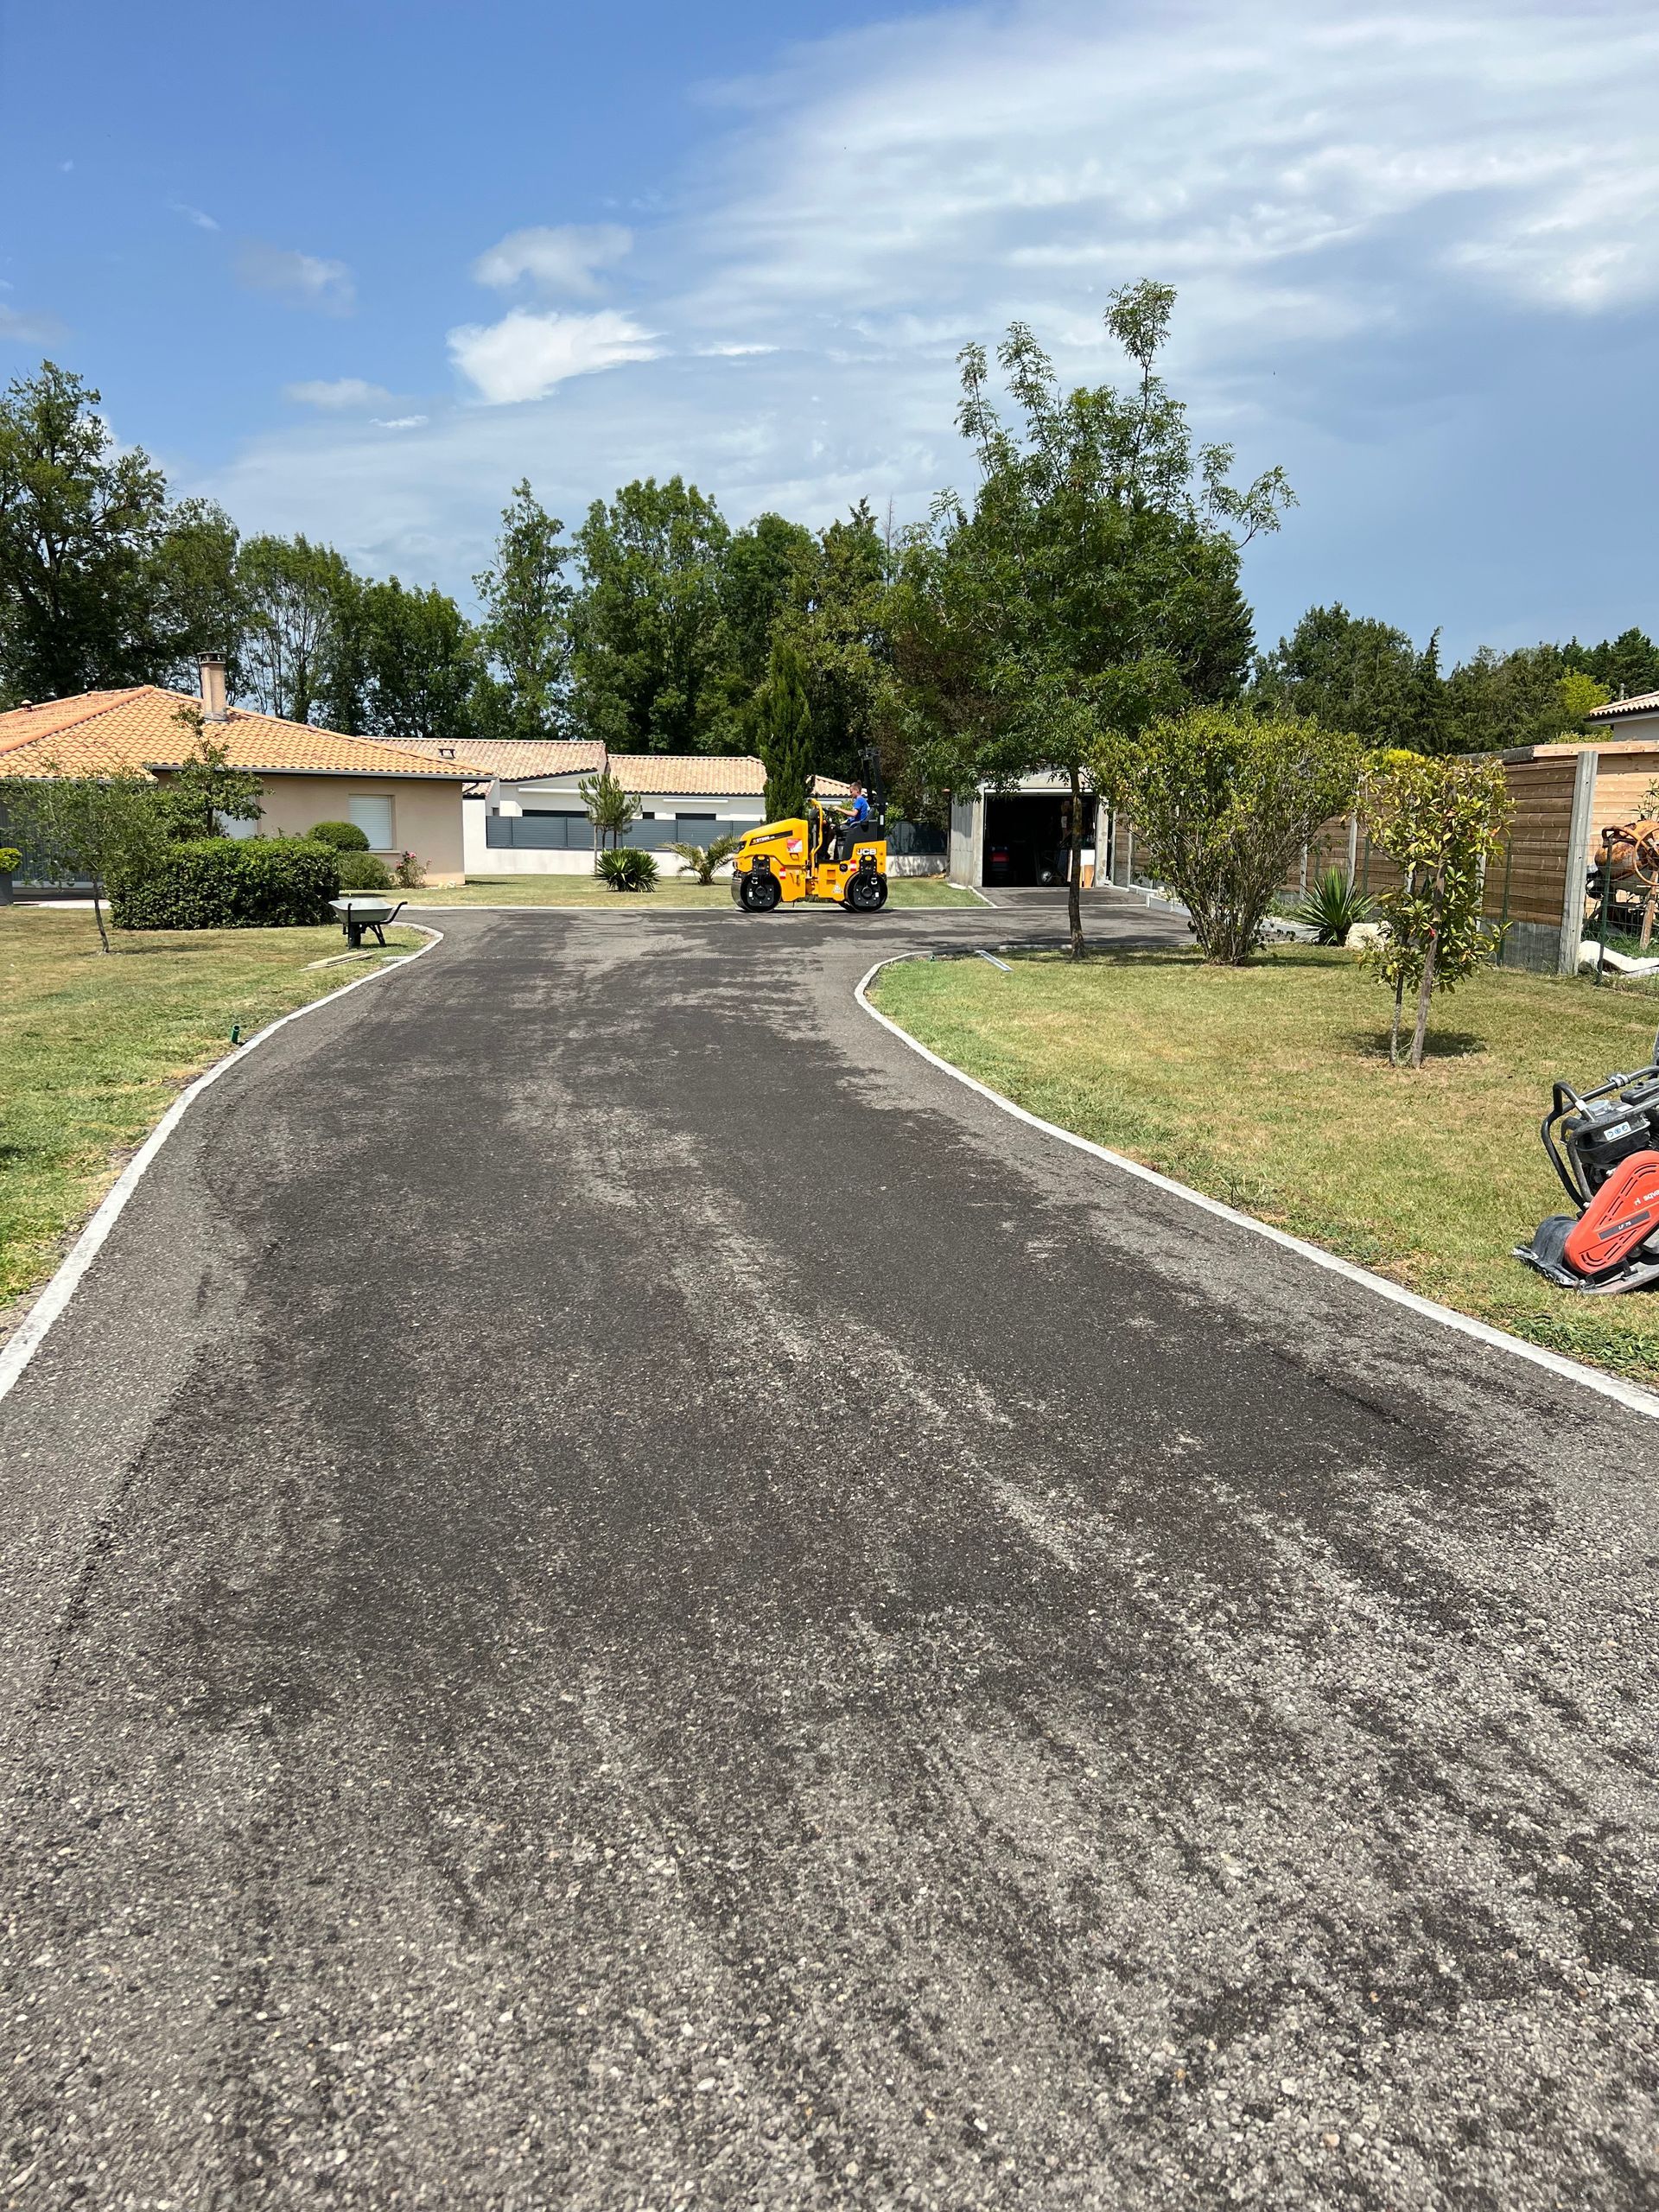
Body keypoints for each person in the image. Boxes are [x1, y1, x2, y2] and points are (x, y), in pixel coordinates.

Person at [837, 781, 873, 861]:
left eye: (851, 792)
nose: (850, 794)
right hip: (857, 825)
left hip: (856, 827)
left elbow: (854, 814)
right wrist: (846, 821)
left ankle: (836, 855)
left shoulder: (859, 800)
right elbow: (856, 816)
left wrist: (840, 810)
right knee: (838, 826)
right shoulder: (863, 800)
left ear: (857, 791)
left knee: (834, 830)